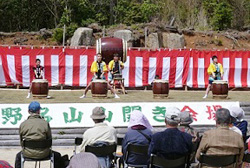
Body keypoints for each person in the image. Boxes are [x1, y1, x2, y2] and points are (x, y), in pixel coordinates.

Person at [15, 101, 64, 168]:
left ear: (28, 111)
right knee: (57, 155)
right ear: (39, 111)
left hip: (28, 153)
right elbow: (49, 140)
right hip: (44, 153)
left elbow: (21, 142)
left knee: (18, 157)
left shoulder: (23, 124)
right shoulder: (45, 123)